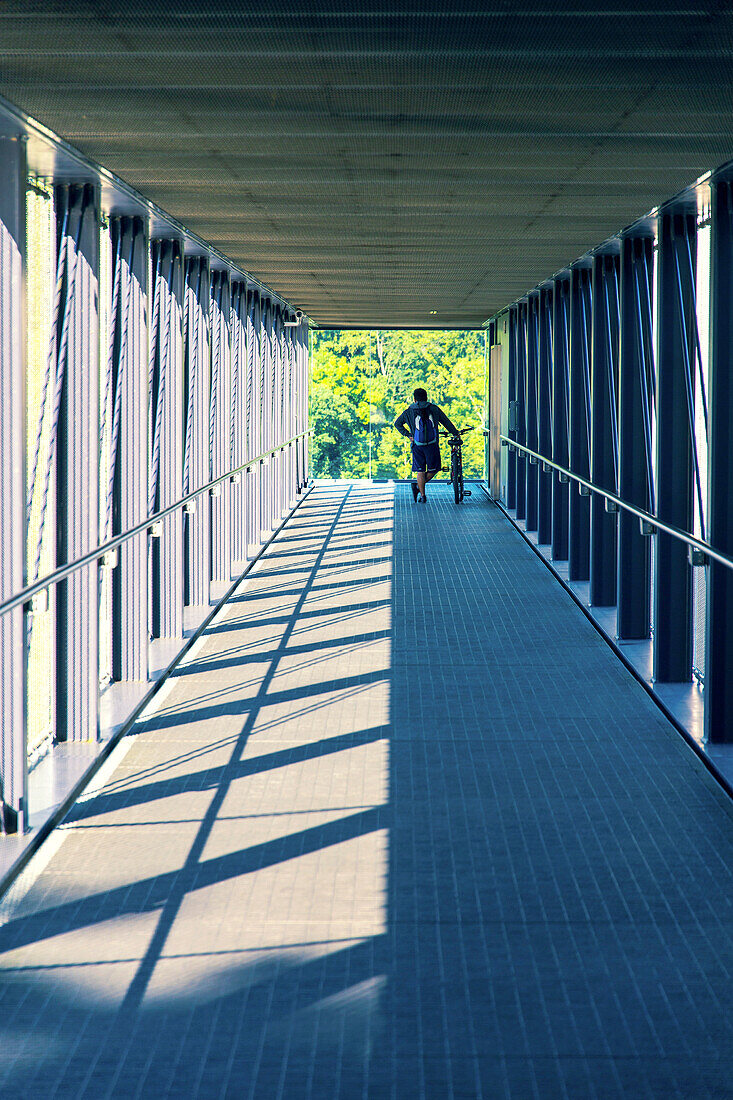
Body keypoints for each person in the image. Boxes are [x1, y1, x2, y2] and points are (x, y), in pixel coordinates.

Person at [394, 388, 460, 502]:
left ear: (414, 399)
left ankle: (423, 496)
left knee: (420, 470)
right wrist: (455, 433)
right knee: (434, 469)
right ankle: (417, 487)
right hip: (432, 445)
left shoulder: (409, 411)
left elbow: (397, 423)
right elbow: (446, 422)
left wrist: (408, 435)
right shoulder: (434, 409)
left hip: (417, 445)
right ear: (427, 398)